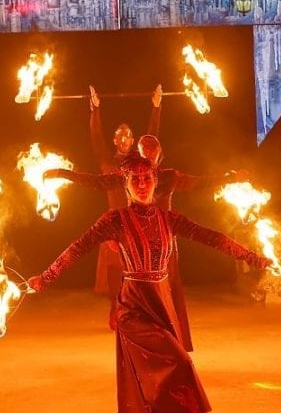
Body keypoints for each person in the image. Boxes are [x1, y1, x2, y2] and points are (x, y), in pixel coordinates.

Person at [28, 154, 271, 413]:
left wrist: (252, 257)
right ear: (126, 185)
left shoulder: (169, 219)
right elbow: (77, 247)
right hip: (133, 308)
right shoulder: (114, 219)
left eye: (147, 179)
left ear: (156, 183)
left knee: (149, 382)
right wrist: (47, 276)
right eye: (135, 180)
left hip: (162, 304)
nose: (142, 184)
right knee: (176, 366)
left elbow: (211, 237)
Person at [43, 134, 249, 350]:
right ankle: (139, 340)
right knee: (135, 289)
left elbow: (200, 182)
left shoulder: (170, 177)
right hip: (134, 238)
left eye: (154, 152)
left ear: (160, 155)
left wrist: (231, 177)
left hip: (165, 241)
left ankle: (174, 341)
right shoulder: (130, 175)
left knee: (169, 289)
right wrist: (61, 173)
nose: (149, 157)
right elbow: (96, 181)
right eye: (145, 153)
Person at [88, 86, 162, 327]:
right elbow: (95, 137)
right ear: (115, 139)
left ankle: (140, 311)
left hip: (138, 222)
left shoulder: (140, 163)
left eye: (127, 135)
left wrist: (156, 106)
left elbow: (152, 137)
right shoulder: (108, 163)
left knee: (139, 270)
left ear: (132, 140)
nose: (122, 138)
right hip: (114, 223)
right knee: (114, 271)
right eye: (119, 135)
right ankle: (115, 309)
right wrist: (95, 109)